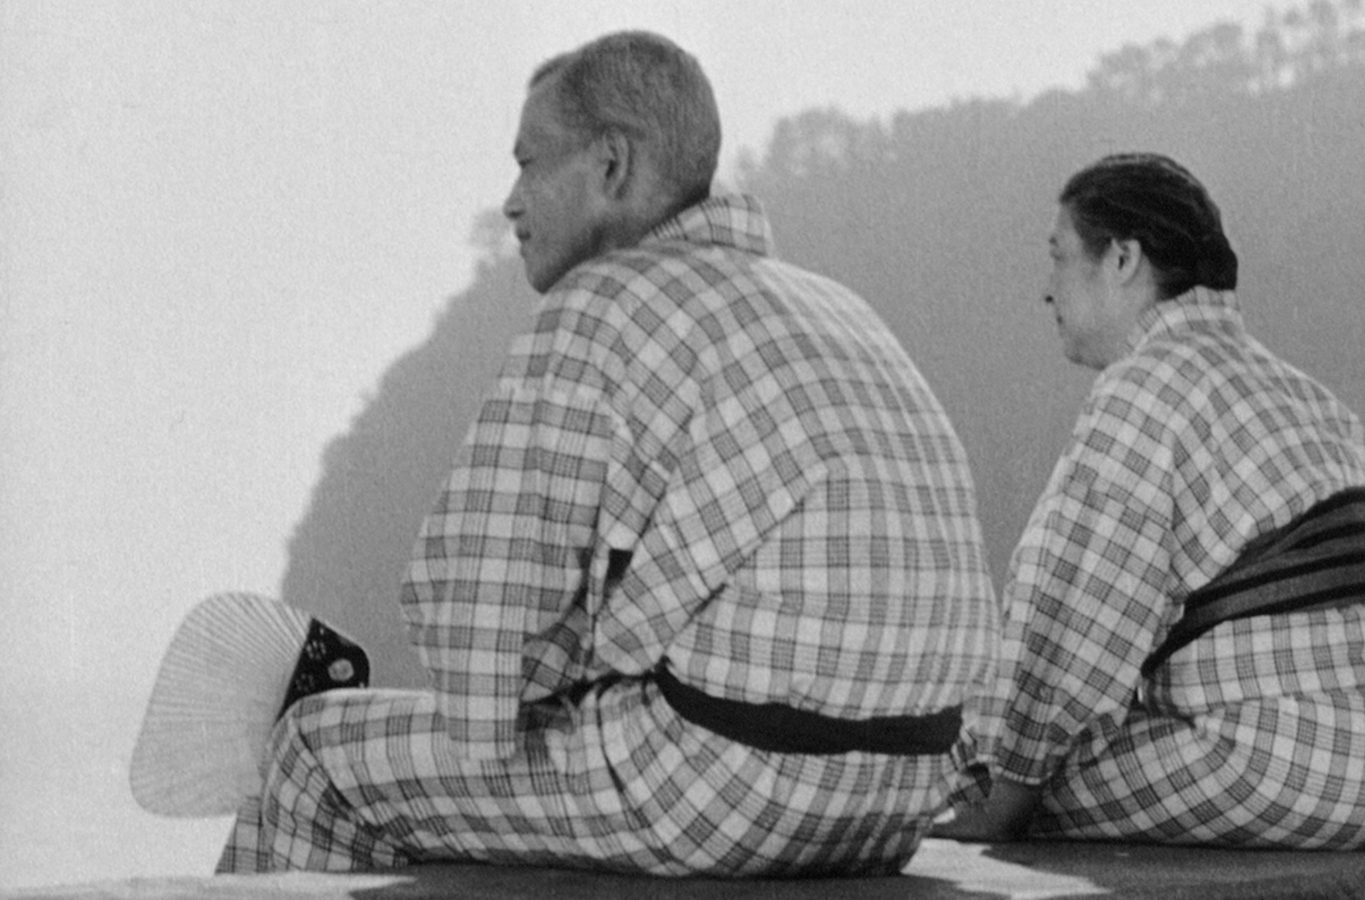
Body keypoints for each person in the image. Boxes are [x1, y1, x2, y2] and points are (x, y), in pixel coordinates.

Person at [216, 31, 997, 877]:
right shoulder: (834, 307)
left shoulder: (599, 302)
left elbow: (484, 619)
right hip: (903, 794)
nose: (511, 202)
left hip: (722, 789)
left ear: (612, 165)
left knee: (313, 752)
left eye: (529, 164)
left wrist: (516, 686)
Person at [934, 153, 1365, 849]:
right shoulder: (1307, 394)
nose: (1046, 291)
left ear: (1123, 259)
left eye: (1058, 257)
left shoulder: (1143, 388)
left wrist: (1003, 791)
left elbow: (1073, 623)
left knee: (997, 780)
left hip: (1286, 765)